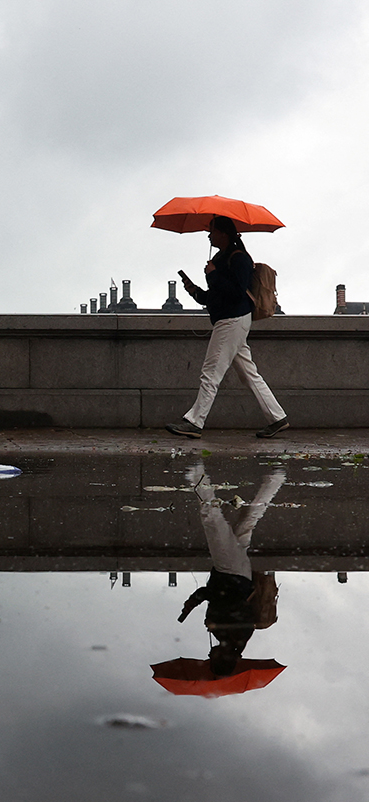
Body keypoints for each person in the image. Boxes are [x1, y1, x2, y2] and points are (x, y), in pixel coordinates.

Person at [167, 215, 289, 439]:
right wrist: (194, 290)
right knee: (249, 374)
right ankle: (277, 417)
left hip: (232, 320)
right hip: (232, 319)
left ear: (223, 233)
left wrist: (213, 274)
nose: (209, 234)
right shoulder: (221, 258)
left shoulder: (239, 258)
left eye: (212, 230)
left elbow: (236, 292)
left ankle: (195, 421)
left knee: (210, 373)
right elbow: (212, 298)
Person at [178, 463, 286, 676]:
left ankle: (275, 480)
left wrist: (209, 617)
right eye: (212, 659)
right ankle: (198, 474)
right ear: (223, 659)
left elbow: (224, 602)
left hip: (239, 573)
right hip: (229, 570)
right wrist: (194, 603)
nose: (209, 655)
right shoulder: (234, 635)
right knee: (211, 519)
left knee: (248, 521)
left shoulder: (236, 637)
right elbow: (226, 599)